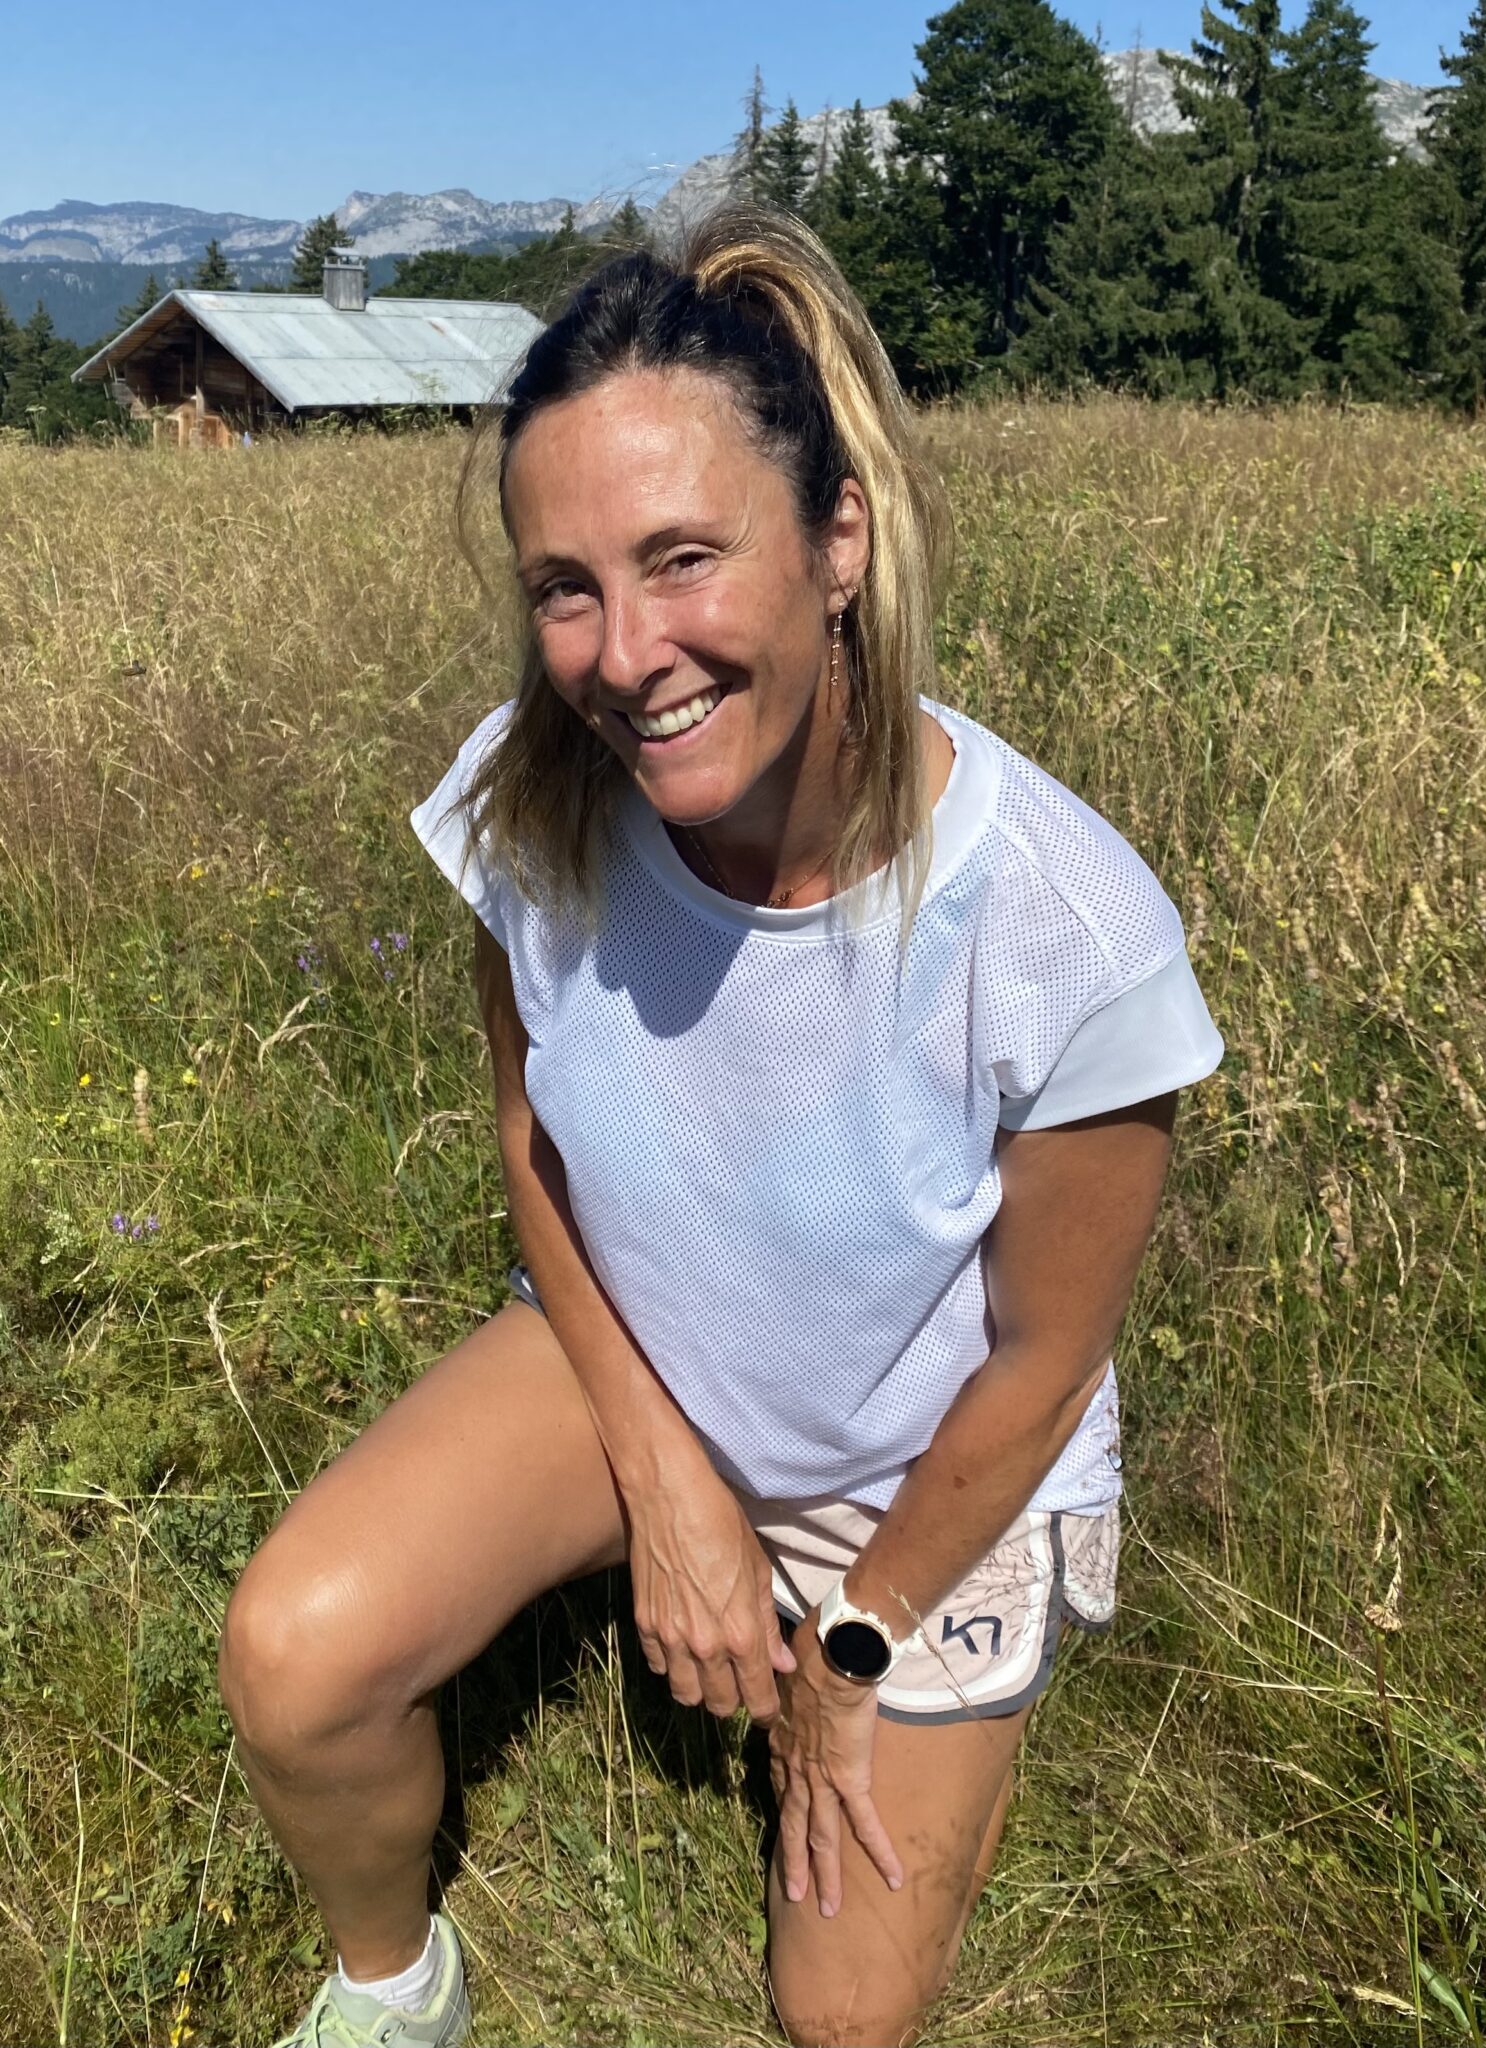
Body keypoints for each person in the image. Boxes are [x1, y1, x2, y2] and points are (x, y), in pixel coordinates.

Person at [218, 204, 1224, 2048]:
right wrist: (668, 1479)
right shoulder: (534, 806)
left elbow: (1041, 1365)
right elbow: (536, 1155)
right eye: (565, 586)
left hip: (924, 1475)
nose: (623, 655)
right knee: (297, 1654)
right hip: (643, 1370)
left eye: (686, 558)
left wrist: (852, 1645)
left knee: (840, 2023)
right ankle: (391, 1988)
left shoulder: (1059, 930)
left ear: (838, 540)